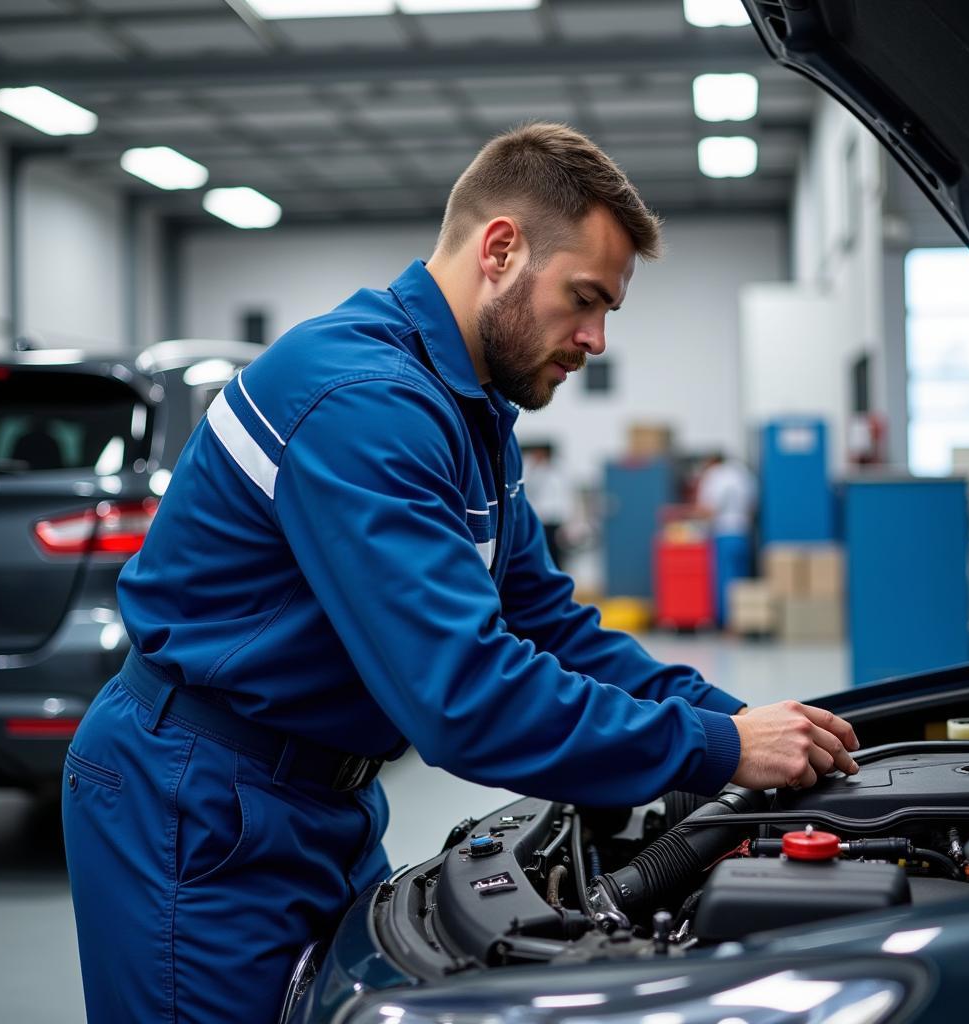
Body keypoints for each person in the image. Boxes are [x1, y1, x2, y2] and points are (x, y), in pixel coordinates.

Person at [62, 123, 859, 1024]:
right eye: (585, 299)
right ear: (502, 248)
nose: (595, 338)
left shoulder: (470, 411)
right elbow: (464, 697)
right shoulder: (361, 402)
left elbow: (548, 627)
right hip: (199, 803)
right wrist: (713, 749)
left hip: (320, 800)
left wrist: (739, 726)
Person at [695, 451, 758, 627]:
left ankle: (727, 623)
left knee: (725, 581)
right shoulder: (742, 474)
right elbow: (752, 506)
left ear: (712, 462)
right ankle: (743, 622)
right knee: (741, 580)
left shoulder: (714, 476)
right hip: (742, 533)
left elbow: (709, 509)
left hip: (724, 533)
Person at [521, 442, 573, 568]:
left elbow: (565, 494)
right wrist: (534, 467)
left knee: (557, 553)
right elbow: (528, 489)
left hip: (556, 519)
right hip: (540, 518)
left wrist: (568, 519)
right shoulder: (529, 468)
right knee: (541, 551)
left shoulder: (558, 469)